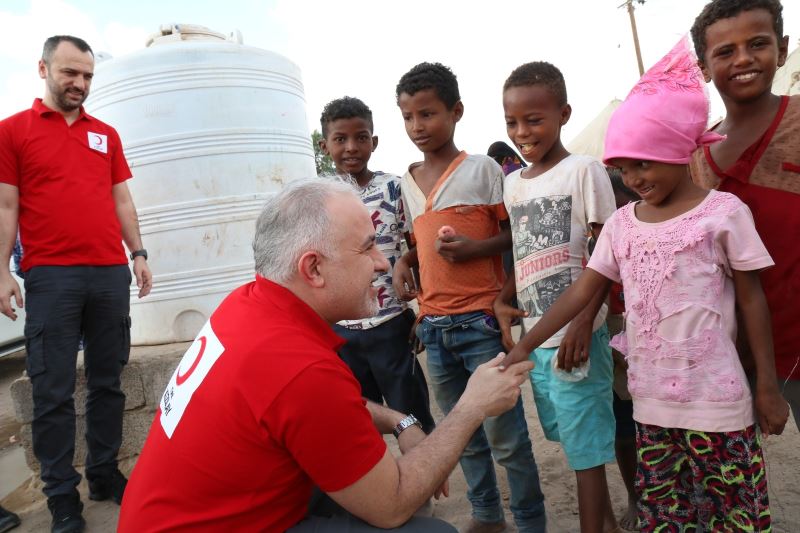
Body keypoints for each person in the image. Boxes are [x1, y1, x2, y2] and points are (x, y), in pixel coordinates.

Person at [118, 178, 534, 532]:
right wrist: (473, 405)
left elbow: (301, 410)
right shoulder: (298, 367)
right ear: (313, 269)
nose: (380, 263)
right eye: (368, 247)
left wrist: (398, 419)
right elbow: (392, 502)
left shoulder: (247, 306)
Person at [502, 36, 790, 532]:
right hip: (652, 408)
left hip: (719, 405)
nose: (634, 177)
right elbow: (581, 291)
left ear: (681, 149)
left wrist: (766, 385)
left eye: (645, 162)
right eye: (623, 166)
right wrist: (524, 344)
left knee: (734, 518)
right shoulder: (620, 225)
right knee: (665, 518)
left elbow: (751, 299)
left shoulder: (722, 215)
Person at [0, 35, 152, 533]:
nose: (80, 84)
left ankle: (105, 474)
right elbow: (6, 206)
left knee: (108, 383)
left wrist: (139, 253)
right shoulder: (12, 132)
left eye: (87, 75)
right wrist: (1, 270)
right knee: (53, 391)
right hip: (51, 277)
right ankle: (63, 495)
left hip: (108, 274)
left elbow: (122, 201)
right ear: (43, 69)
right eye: (70, 73)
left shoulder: (104, 134)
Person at [393, 62, 545, 533]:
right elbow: (417, 246)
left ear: (456, 111)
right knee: (463, 436)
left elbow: (516, 236)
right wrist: (404, 263)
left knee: (508, 438)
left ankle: (529, 520)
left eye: (428, 114)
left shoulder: (482, 170)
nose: (418, 126)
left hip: (480, 322)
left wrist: (476, 249)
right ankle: (486, 515)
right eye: (408, 117)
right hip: (434, 328)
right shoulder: (406, 181)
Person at [494, 61, 619, 533]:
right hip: (537, 336)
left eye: (535, 119)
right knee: (573, 444)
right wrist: (502, 298)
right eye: (512, 122)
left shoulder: (585, 171)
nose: (523, 132)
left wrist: (586, 322)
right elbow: (524, 252)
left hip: (576, 336)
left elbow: (607, 254)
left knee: (587, 457)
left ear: (564, 113)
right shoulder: (512, 184)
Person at [689, 0, 800, 428]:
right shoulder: (697, 155)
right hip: (741, 348)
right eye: (724, 52)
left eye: (757, 44)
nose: (743, 59)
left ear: (783, 47)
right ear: (703, 67)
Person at [318, 96, 434, 434]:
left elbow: (419, 250)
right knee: (358, 424)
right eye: (340, 139)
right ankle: (380, 487)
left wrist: (423, 310)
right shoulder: (319, 198)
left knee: (412, 419)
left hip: (392, 325)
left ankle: (421, 485)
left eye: (361, 137)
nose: (352, 147)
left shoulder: (394, 188)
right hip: (343, 331)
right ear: (325, 146)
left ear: (374, 141)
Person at [605, 169, 639, 531]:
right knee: (623, 428)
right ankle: (634, 493)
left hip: (649, 332)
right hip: (613, 330)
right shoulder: (598, 239)